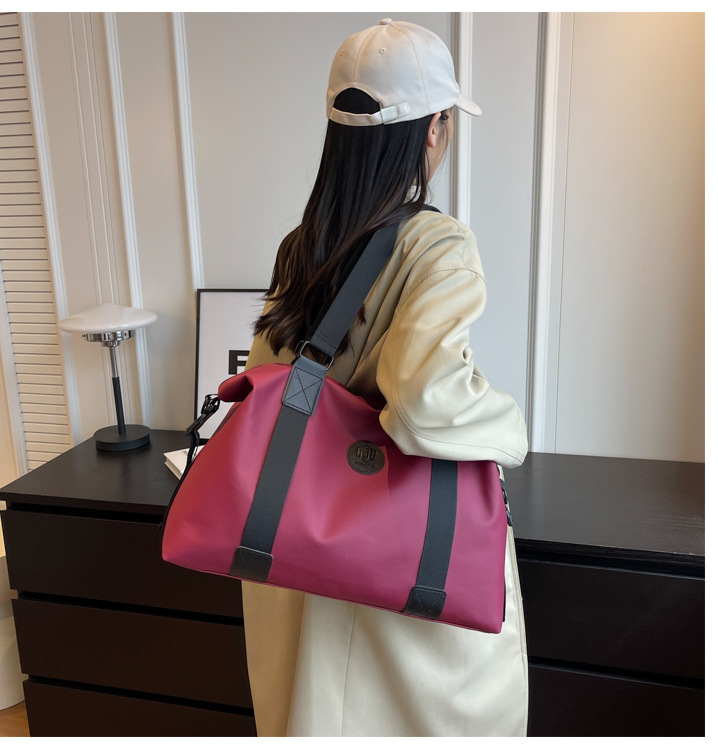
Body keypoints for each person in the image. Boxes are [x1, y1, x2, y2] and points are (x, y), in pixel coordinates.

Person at [242, 19, 529, 737]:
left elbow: (268, 379)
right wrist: (512, 428)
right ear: (433, 130)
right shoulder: (436, 244)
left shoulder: (301, 246)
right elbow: (426, 405)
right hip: (395, 560)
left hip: (301, 540)